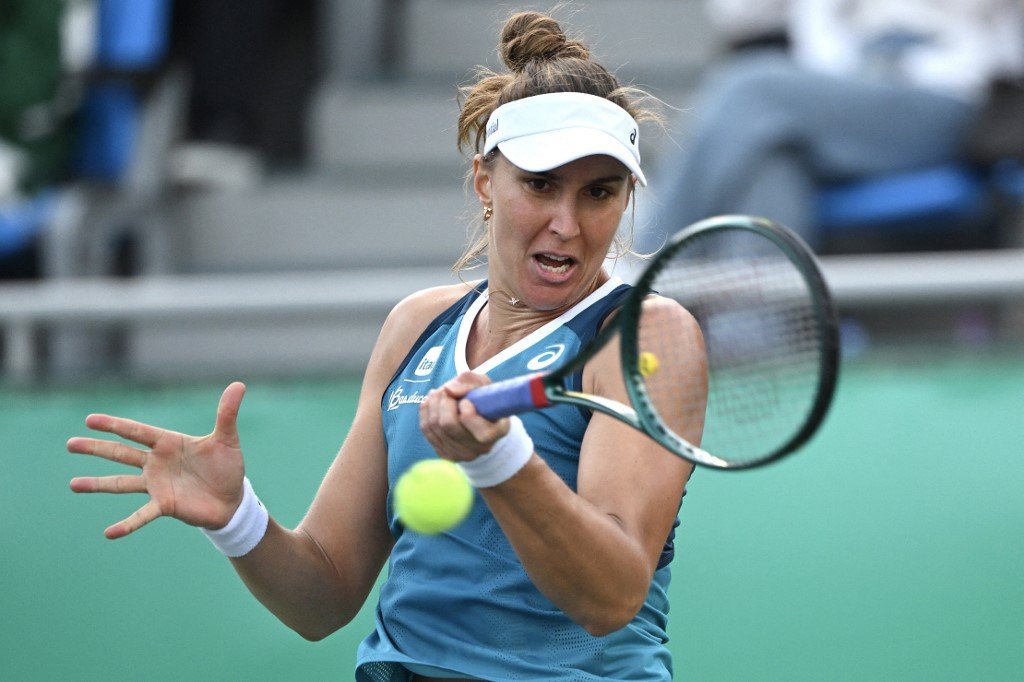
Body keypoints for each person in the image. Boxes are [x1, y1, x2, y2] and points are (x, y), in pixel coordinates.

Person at [66, 10, 702, 681]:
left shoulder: (643, 335)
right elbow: (324, 594)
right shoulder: (417, 326)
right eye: (540, 185)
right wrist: (236, 519)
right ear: (485, 181)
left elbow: (610, 599)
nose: (567, 224)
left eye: (599, 193)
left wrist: (502, 460)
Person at [636, 0, 1024, 254]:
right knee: (771, 161)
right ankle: (755, 332)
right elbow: (740, 14)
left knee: (750, 89)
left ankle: (640, 275)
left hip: (953, 100)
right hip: (827, 98)